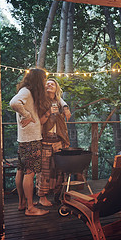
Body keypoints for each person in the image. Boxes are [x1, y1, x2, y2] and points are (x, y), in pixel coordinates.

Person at [9, 68, 49, 216]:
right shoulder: (26, 92)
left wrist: (32, 116)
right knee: (29, 173)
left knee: (21, 170)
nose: (45, 82)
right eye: (44, 79)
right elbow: (13, 103)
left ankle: (22, 203)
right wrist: (28, 115)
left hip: (24, 139)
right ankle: (31, 208)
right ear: (38, 80)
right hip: (31, 140)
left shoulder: (27, 92)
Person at [36, 78, 71, 206]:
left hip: (58, 140)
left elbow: (62, 102)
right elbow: (40, 122)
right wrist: (48, 112)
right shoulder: (41, 102)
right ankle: (42, 196)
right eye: (47, 84)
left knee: (58, 170)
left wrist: (66, 108)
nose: (50, 85)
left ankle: (57, 194)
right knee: (44, 170)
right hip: (45, 140)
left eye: (53, 84)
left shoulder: (58, 102)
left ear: (56, 88)